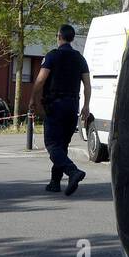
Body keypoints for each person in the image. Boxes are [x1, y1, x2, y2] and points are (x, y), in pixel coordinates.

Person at [30, 24, 91, 196]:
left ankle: (73, 172)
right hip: (72, 106)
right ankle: (55, 182)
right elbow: (87, 84)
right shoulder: (80, 58)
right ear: (71, 38)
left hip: (55, 105)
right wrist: (86, 105)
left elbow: (41, 80)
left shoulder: (52, 56)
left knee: (52, 145)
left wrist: (33, 100)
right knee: (62, 145)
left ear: (59, 37)